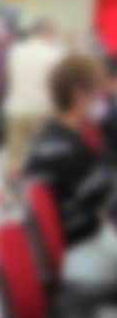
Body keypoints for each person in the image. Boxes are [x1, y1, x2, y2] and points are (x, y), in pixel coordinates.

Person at [23, 54, 117, 287]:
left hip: (78, 240)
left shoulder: (53, 135)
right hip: (81, 250)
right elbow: (109, 201)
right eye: (97, 91)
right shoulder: (68, 148)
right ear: (79, 94)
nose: (101, 98)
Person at [4, 20, 64, 180]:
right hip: (43, 108)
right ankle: (36, 187)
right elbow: (57, 83)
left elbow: (9, 78)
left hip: (16, 108)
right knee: (41, 151)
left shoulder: (16, 51)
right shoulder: (54, 54)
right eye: (53, 33)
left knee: (15, 153)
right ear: (47, 33)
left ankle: (13, 185)